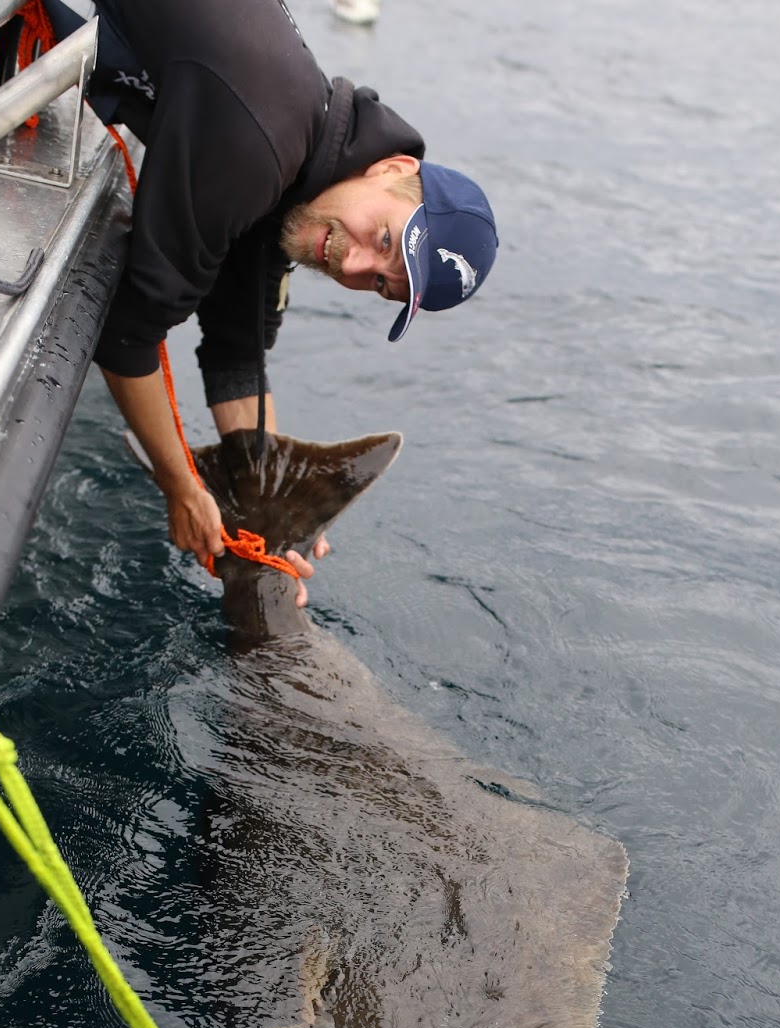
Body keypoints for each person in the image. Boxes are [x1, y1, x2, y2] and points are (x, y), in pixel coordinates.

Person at [45, 0, 498, 599]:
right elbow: (126, 336)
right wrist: (181, 489)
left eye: (382, 284)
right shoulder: (261, 143)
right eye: (387, 239)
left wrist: (273, 516)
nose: (354, 264)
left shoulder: (304, 162)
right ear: (392, 168)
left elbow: (237, 352)